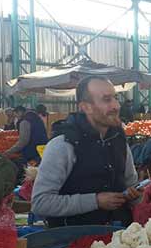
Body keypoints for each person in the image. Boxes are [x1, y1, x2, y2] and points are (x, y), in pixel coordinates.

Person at [31, 76, 142, 228]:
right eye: (106, 99)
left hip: (118, 239)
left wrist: (135, 195)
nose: (116, 105)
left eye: (115, 98)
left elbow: (131, 184)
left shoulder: (119, 140)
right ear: (86, 107)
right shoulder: (63, 145)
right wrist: (95, 201)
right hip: (69, 242)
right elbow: (40, 203)